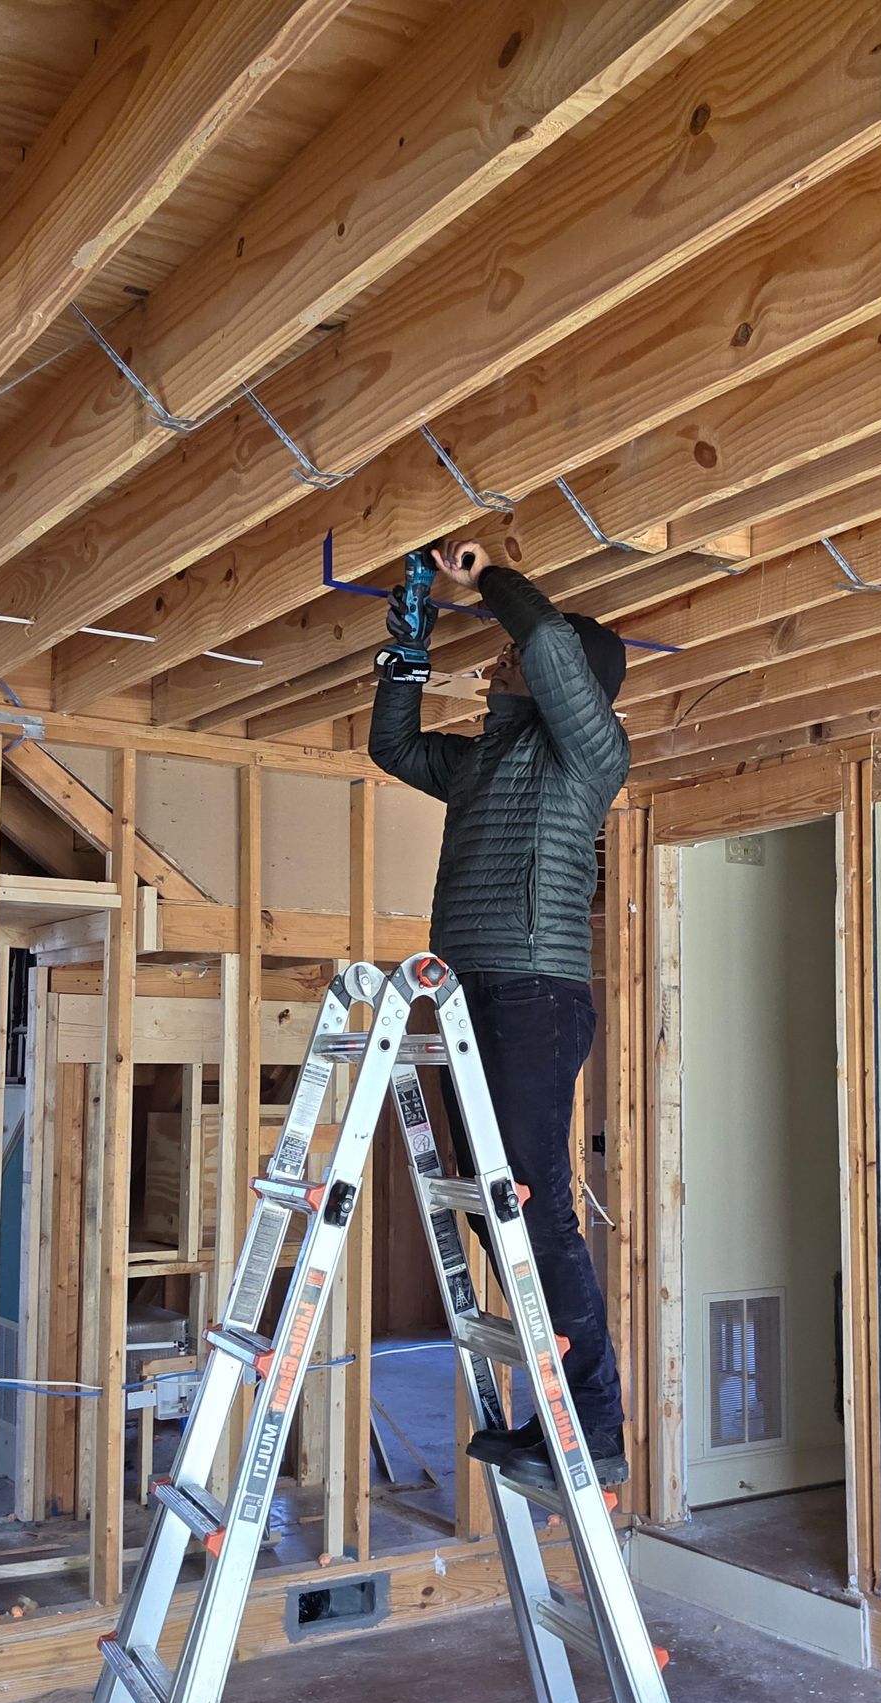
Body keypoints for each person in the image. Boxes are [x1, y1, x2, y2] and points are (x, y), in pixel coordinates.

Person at [369, 538, 630, 1490]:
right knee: (496, 1214)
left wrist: (491, 582)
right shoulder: (480, 765)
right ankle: (557, 1404)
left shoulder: (591, 756)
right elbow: (391, 745)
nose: (494, 665)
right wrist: (407, 648)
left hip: (532, 998)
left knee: (535, 1212)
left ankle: (595, 1418)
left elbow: (556, 646)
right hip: (474, 1000)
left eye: (505, 658)